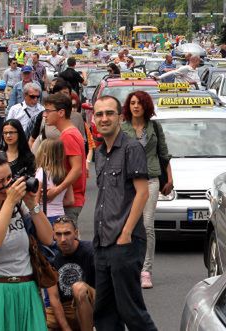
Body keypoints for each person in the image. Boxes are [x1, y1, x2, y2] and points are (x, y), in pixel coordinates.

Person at [92, 95, 157, 330]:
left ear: (120, 117)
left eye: (109, 113)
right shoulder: (99, 153)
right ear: (94, 118)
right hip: (102, 242)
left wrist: (126, 233)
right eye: (99, 114)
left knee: (131, 312)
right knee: (104, 314)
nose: (104, 118)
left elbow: (142, 193)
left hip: (124, 243)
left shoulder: (132, 148)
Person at [0, 147, 53, 331]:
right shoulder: (11, 203)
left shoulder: (18, 204)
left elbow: (48, 238)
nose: (9, 184)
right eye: (1, 181)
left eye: (10, 177)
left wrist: (32, 206)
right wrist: (9, 202)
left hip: (26, 289)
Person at [121, 91, 173, 289]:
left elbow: (164, 154)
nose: (136, 106)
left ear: (146, 106)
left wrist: (169, 178)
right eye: (132, 102)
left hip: (150, 179)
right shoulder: (122, 128)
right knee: (128, 223)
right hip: (128, 182)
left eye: (140, 103)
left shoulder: (155, 127)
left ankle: (145, 270)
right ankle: (129, 266)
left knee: (147, 224)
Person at [42, 93, 86, 224]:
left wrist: (57, 190)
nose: (45, 115)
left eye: (48, 111)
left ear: (61, 112)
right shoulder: (69, 132)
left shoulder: (68, 136)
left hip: (71, 200)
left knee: (65, 241)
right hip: (70, 199)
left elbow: (77, 169)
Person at [45, 216, 95, 331]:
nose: (63, 239)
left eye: (67, 233)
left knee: (79, 288)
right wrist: (66, 328)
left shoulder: (91, 251)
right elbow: (54, 298)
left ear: (76, 233)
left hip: (92, 301)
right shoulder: (52, 258)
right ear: (53, 235)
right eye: (58, 234)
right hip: (66, 307)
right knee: (36, 319)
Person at [34, 138, 73, 224]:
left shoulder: (41, 173)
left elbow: (35, 202)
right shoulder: (65, 174)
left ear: (44, 154)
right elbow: (70, 200)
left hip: (45, 216)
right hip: (60, 215)